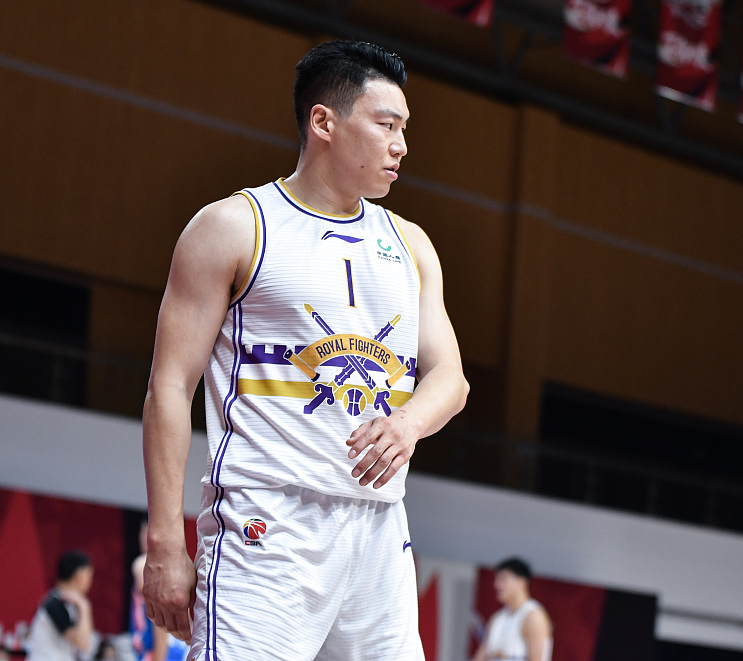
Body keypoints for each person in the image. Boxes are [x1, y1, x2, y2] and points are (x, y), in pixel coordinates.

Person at [142, 39, 469, 661]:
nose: (402, 145)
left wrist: (408, 424)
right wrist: (164, 543)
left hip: (379, 527)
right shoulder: (234, 227)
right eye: (387, 125)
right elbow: (170, 387)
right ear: (324, 121)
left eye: (405, 129)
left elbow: (450, 378)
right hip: (267, 521)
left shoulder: (412, 245)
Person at [473, 558, 553, 661]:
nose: (497, 585)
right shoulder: (496, 618)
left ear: (521, 582)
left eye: (503, 580)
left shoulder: (533, 617)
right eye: (496, 580)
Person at [130, 521, 186, 661]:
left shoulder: (143, 564)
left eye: (147, 532)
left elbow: (159, 614)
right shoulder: (179, 567)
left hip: (159, 648)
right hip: (174, 645)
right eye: (142, 532)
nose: (143, 537)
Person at [26, 550, 96, 661]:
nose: (91, 581)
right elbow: (83, 643)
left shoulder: (69, 604)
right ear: (79, 575)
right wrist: (84, 607)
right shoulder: (54, 604)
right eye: (89, 575)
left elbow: (88, 644)